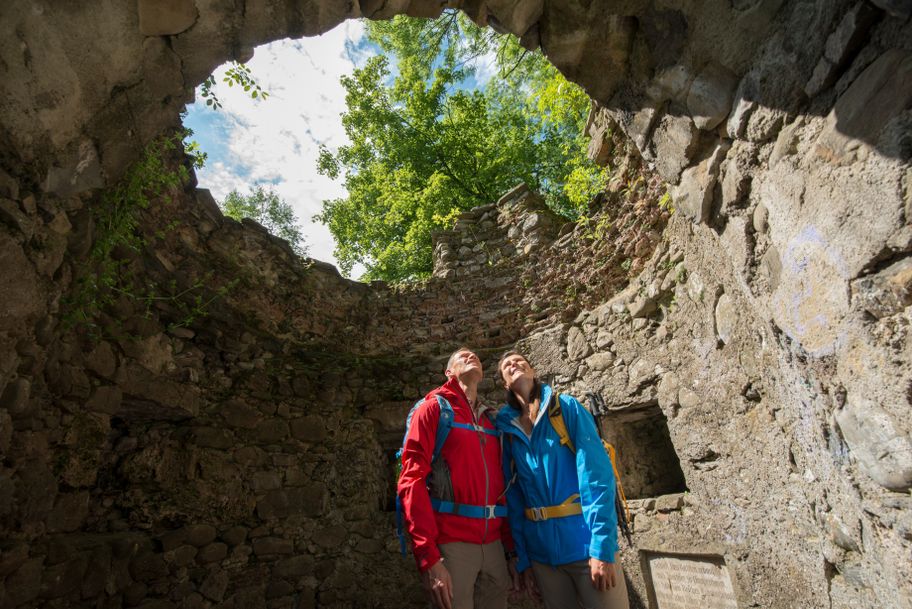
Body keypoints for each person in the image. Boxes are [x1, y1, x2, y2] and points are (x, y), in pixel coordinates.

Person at [495, 350, 629, 609]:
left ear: (533, 371)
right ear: (505, 384)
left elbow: (597, 479)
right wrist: (525, 561)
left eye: (520, 360)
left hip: (586, 547)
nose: (514, 364)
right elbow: (514, 498)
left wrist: (602, 547)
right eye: (507, 365)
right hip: (543, 558)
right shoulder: (507, 431)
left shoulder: (566, 408)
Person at [398, 347, 515, 609]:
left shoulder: (492, 419)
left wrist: (511, 550)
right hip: (451, 545)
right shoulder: (433, 409)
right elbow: (411, 480)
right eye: (463, 356)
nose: (471, 356)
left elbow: (504, 485)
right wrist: (428, 558)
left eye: (475, 356)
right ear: (448, 372)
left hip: (494, 547)